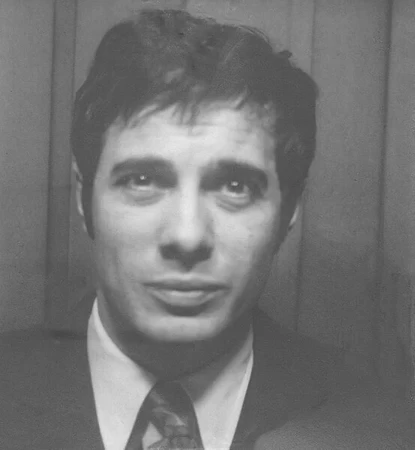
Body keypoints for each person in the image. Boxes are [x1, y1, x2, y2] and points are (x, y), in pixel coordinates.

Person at [0, 8, 414, 450]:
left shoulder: (387, 427)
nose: (188, 236)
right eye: (142, 180)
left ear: (289, 211)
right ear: (85, 199)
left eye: (235, 187)